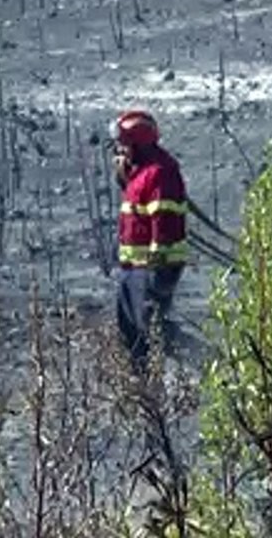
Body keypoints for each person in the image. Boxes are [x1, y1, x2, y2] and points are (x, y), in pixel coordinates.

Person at [110, 110, 189, 367]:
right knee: (130, 332)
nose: (119, 152)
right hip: (133, 269)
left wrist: (157, 272)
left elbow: (163, 221)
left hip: (152, 268)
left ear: (137, 145)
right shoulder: (141, 174)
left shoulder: (159, 172)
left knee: (154, 332)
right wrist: (126, 177)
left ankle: (204, 362)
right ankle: (140, 390)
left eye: (123, 145)